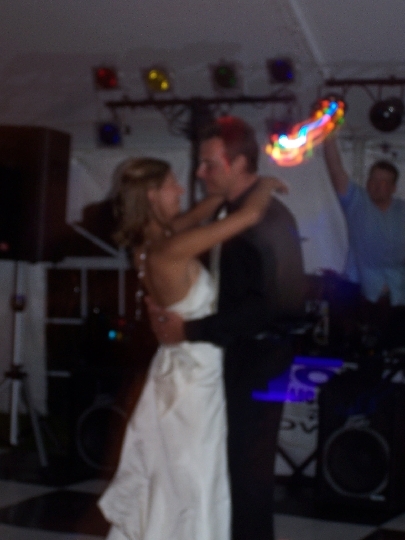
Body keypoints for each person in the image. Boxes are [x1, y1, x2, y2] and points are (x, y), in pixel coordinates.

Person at [97, 156, 287, 540]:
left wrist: (221, 190)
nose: (181, 189)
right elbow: (249, 217)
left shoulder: (148, 246)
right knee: (196, 477)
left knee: (173, 474)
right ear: (152, 195)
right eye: (172, 183)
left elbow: (201, 211)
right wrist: (265, 184)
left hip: (174, 366)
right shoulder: (172, 248)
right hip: (197, 375)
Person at [146, 116, 306, 540]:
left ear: (238, 164)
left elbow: (268, 307)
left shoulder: (265, 218)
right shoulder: (231, 210)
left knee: (247, 473)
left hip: (260, 357)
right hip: (240, 353)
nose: (200, 173)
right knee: (232, 469)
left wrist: (191, 330)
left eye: (209, 164)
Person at [323, 133, 405, 348]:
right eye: (373, 179)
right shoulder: (356, 202)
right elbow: (335, 169)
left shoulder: (402, 210)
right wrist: (327, 133)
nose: (376, 185)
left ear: (393, 187)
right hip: (360, 295)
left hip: (398, 297)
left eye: (383, 181)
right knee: (356, 346)